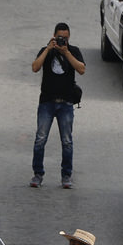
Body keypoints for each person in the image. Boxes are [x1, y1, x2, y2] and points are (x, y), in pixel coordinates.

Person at [30, 23, 85, 189]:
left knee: (67, 141)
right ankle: (38, 174)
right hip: (47, 102)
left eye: (66, 38)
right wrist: (48, 49)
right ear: (54, 36)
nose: (63, 40)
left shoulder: (73, 51)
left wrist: (66, 52)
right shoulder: (47, 50)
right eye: (60, 37)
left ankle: (66, 175)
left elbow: (81, 69)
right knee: (40, 139)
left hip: (66, 103)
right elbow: (35, 67)